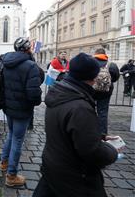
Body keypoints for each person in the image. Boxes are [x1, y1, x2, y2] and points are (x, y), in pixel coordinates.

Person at [33, 53, 119, 197]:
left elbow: (67, 131)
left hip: (53, 166)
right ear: (92, 77)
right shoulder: (80, 106)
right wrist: (113, 152)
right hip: (74, 176)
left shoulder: (60, 92)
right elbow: (92, 151)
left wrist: (99, 137)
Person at [0, 37, 42, 187]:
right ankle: (11, 175)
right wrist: (36, 101)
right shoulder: (30, 66)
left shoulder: (6, 63)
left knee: (11, 135)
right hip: (22, 109)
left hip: (8, 107)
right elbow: (34, 94)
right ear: (27, 49)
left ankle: (4, 162)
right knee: (17, 139)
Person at [93, 48, 120, 138]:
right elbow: (115, 77)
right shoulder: (111, 64)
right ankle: (102, 133)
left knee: (88, 109)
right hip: (105, 91)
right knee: (103, 112)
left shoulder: (90, 63)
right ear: (104, 54)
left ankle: (88, 129)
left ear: (96, 54)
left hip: (91, 90)